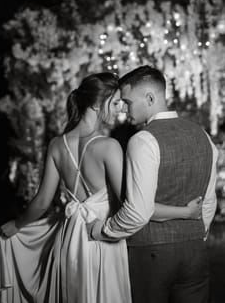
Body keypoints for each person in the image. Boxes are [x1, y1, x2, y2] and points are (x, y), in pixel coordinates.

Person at [0, 72, 202, 303]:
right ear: (95, 104)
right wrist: (184, 212)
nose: (120, 109)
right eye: (114, 103)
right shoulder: (109, 147)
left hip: (69, 241)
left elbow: (42, 201)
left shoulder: (56, 145)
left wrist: (17, 224)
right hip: (102, 240)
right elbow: (135, 206)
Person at [89, 66, 218, 303]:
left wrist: (104, 230)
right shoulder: (203, 136)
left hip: (151, 254)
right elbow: (208, 202)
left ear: (150, 98)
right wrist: (196, 237)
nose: (124, 110)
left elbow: (139, 210)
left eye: (128, 102)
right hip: (195, 252)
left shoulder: (143, 140)